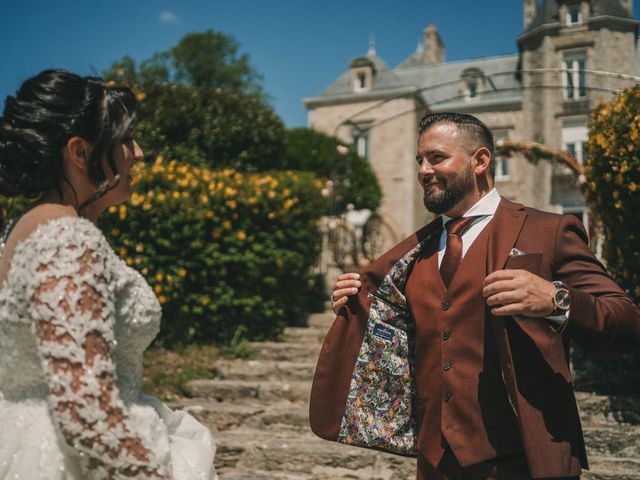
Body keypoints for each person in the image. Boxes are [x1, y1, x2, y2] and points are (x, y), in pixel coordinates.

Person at [309, 112, 640, 479]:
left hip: (525, 460)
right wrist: (358, 307)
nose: (423, 170)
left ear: (480, 160)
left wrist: (557, 300)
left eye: (436, 157)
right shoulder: (411, 254)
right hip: (435, 464)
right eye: (419, 160)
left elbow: (626, 320)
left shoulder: (549, 230)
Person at [0, 69, 217, 480]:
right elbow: (86, 409)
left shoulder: (23, 228)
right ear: (80, 152)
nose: (138, 152)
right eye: (124, 140)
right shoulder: (67, 239)